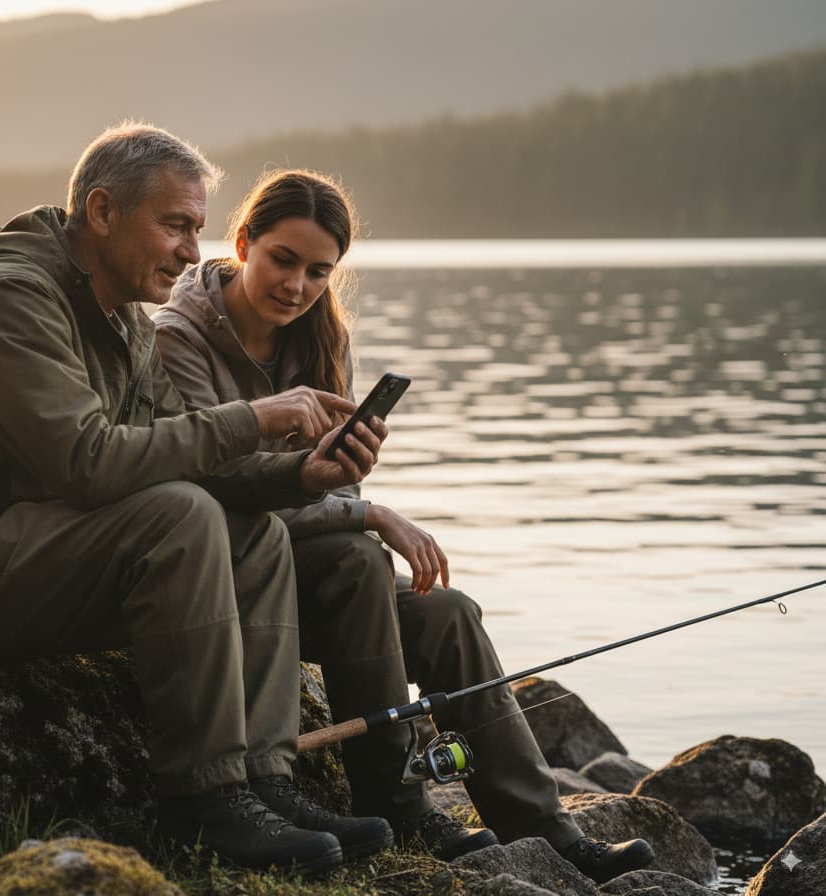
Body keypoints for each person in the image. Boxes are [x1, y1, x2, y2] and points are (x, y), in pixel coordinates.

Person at [0, 125, 400, 875]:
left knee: (254, 532)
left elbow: (177, 447)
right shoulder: (8, 299)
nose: (191, 252)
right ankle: (204, 801)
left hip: (14, 545)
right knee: (177, 515)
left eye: (197, 229)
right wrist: (253, 419)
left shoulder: (120, 318)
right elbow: (86, 463)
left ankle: (266, 782)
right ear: (102, 212)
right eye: (175, 225)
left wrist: (300, 476)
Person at [153, 168, 655, 883]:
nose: (297, 286)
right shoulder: (179, 338)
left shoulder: (318, 335)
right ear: (243, 243)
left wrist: (352, 497)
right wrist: (368, 512)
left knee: (448, 613)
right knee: (359, 559)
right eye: (283, 260)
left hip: (322, 581)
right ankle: (400, 805)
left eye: (319, 271)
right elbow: (209, 481)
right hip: (233, 583)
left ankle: (547, 830)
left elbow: (338, 489)